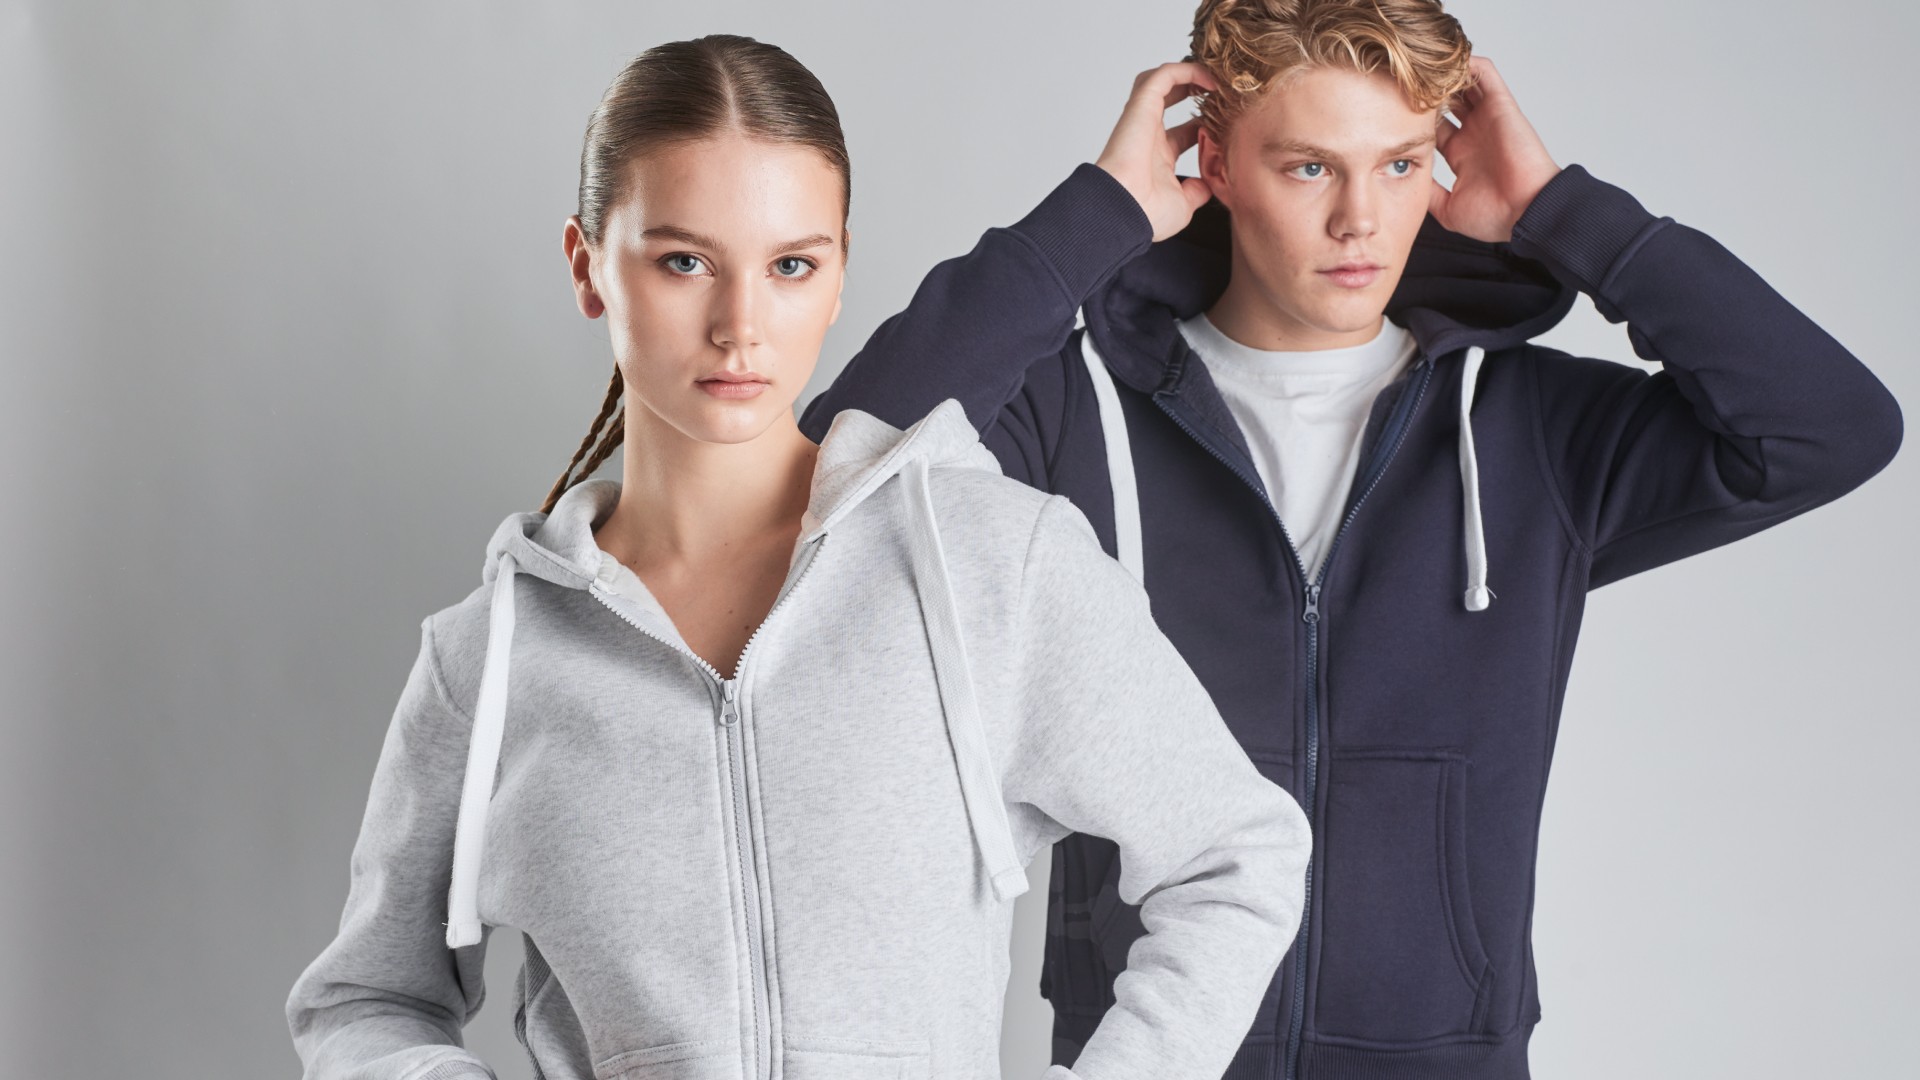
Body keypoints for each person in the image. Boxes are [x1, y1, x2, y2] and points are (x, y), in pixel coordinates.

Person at [799, 1, 1903, 1077]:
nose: (1361, 220)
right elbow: (840, 470)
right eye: (1310, 167)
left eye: (1401, 163)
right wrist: (1096, 217)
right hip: (1152, 1053)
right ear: (1216, 162)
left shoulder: (1532, 429)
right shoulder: (1071, 417)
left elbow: (1832, 428)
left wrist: (1565, 212)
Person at [284, 34, 1311, 1080]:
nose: (740, 327)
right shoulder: (488, 661)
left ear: (837, 273)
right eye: (684, 261)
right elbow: (366, 1000)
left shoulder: (991, 566)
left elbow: (1235, 857)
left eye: (790, 266)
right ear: (588, 266)